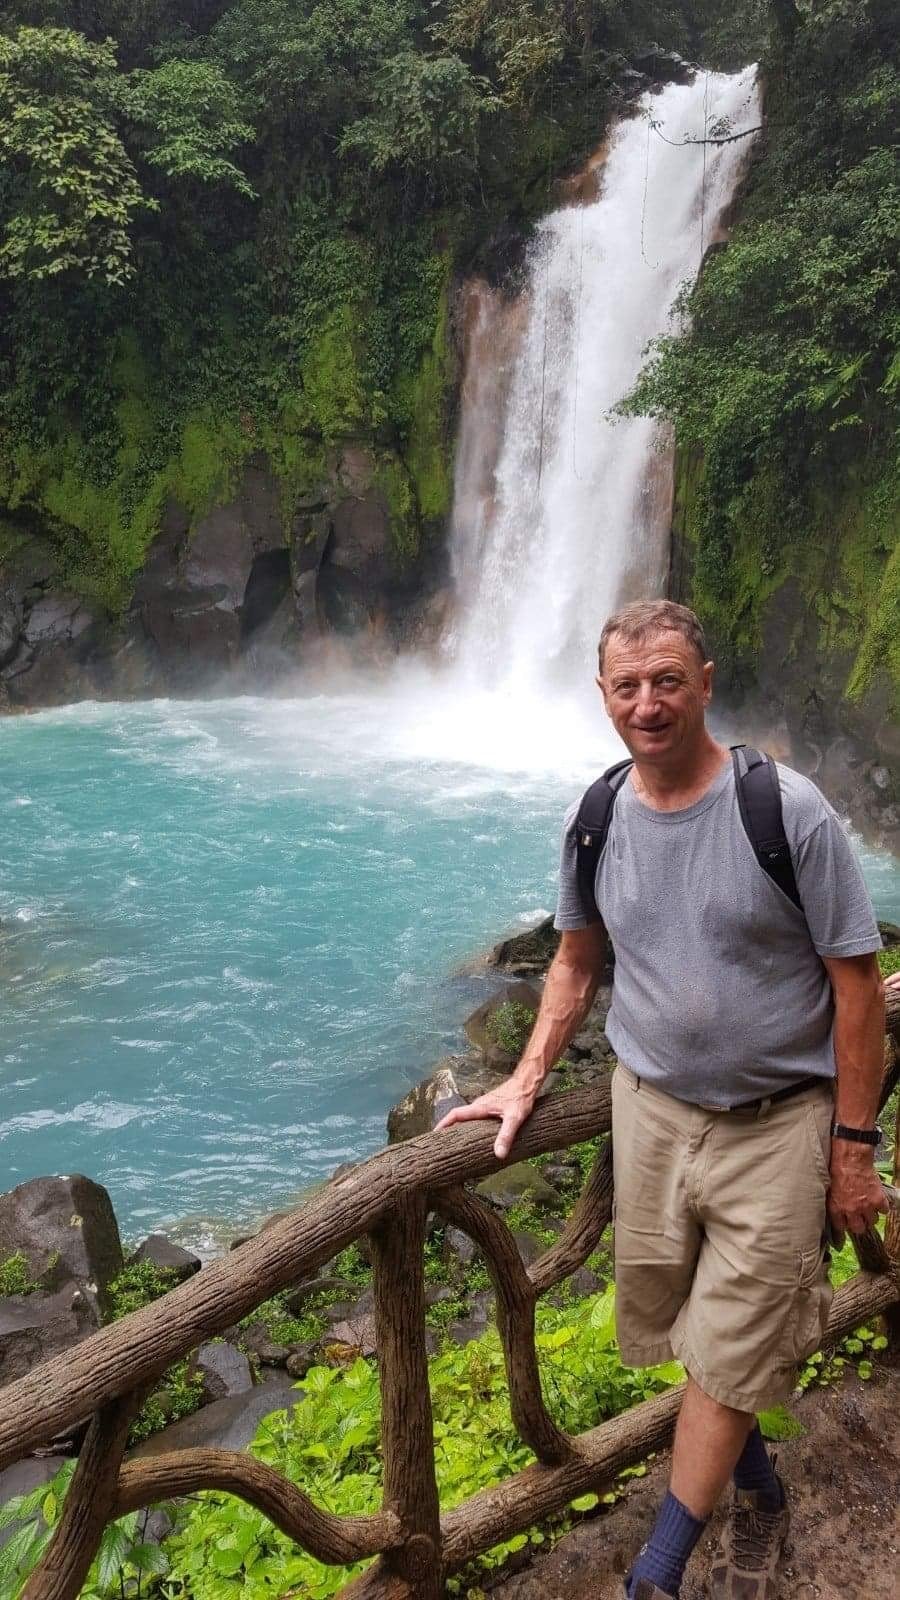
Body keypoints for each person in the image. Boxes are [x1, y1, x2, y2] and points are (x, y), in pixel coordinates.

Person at [438, 599, 887, 1599]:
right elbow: (574, 961)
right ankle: (755, 1479)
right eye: (629, 686)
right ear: (602, 695)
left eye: (668, 680)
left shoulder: (788, 810)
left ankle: (658, 1572)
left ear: (706, 683)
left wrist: (854, 1144)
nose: (649, 703)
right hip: (648, 1110)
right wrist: (524, 1076)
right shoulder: (597, 818)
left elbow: (858, 985)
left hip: (778, 1120)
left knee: (728, 1347)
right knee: (680, 1317)